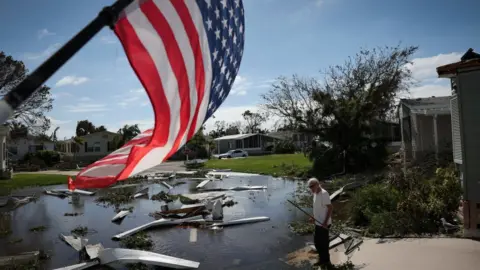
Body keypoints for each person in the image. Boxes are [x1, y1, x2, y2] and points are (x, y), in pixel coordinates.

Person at [307, 177, 333, 269]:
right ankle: (322, 259)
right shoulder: (315, 194)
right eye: (309, 187)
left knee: (324, 244)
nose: (311, 188)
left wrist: (325, 223)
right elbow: (317, 209)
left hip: (324, 224)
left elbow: (330, 208)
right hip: (318, 223)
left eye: (312, 186)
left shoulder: (324, 194)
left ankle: (326, 262)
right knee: (317, 243)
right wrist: (313, 217)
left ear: (317, 184)